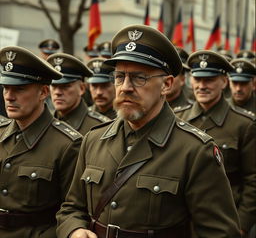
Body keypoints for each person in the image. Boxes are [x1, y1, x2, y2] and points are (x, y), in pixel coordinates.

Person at [56, 24, 241, 238]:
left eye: (139, 77)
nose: (125, 87)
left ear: (167, 85)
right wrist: (75, 230)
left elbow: (220, 233)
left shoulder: (195, 150)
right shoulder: (94, 139)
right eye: (119, 77)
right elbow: (71, 208)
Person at [0, 46, 83, 238]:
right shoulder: (2, 133)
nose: (9, 96)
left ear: (44, 92)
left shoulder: (67, 144)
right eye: (6, 87)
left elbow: (73, 210)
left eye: (19, 89)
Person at [175, 50, 256, 236]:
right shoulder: (178, 118)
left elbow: (252, 180)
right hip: (183, 223)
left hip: (226, 221)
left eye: (209, 80)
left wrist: (242, 225)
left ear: (224, 82)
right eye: (198, 79)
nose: (202, 86)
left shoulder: (244, 125)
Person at [47, 53, 110, 135]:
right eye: (54, 86)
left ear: (81, 88)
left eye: (65, 86)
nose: (57, 92)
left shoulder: (101, 127)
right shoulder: (44, 124)